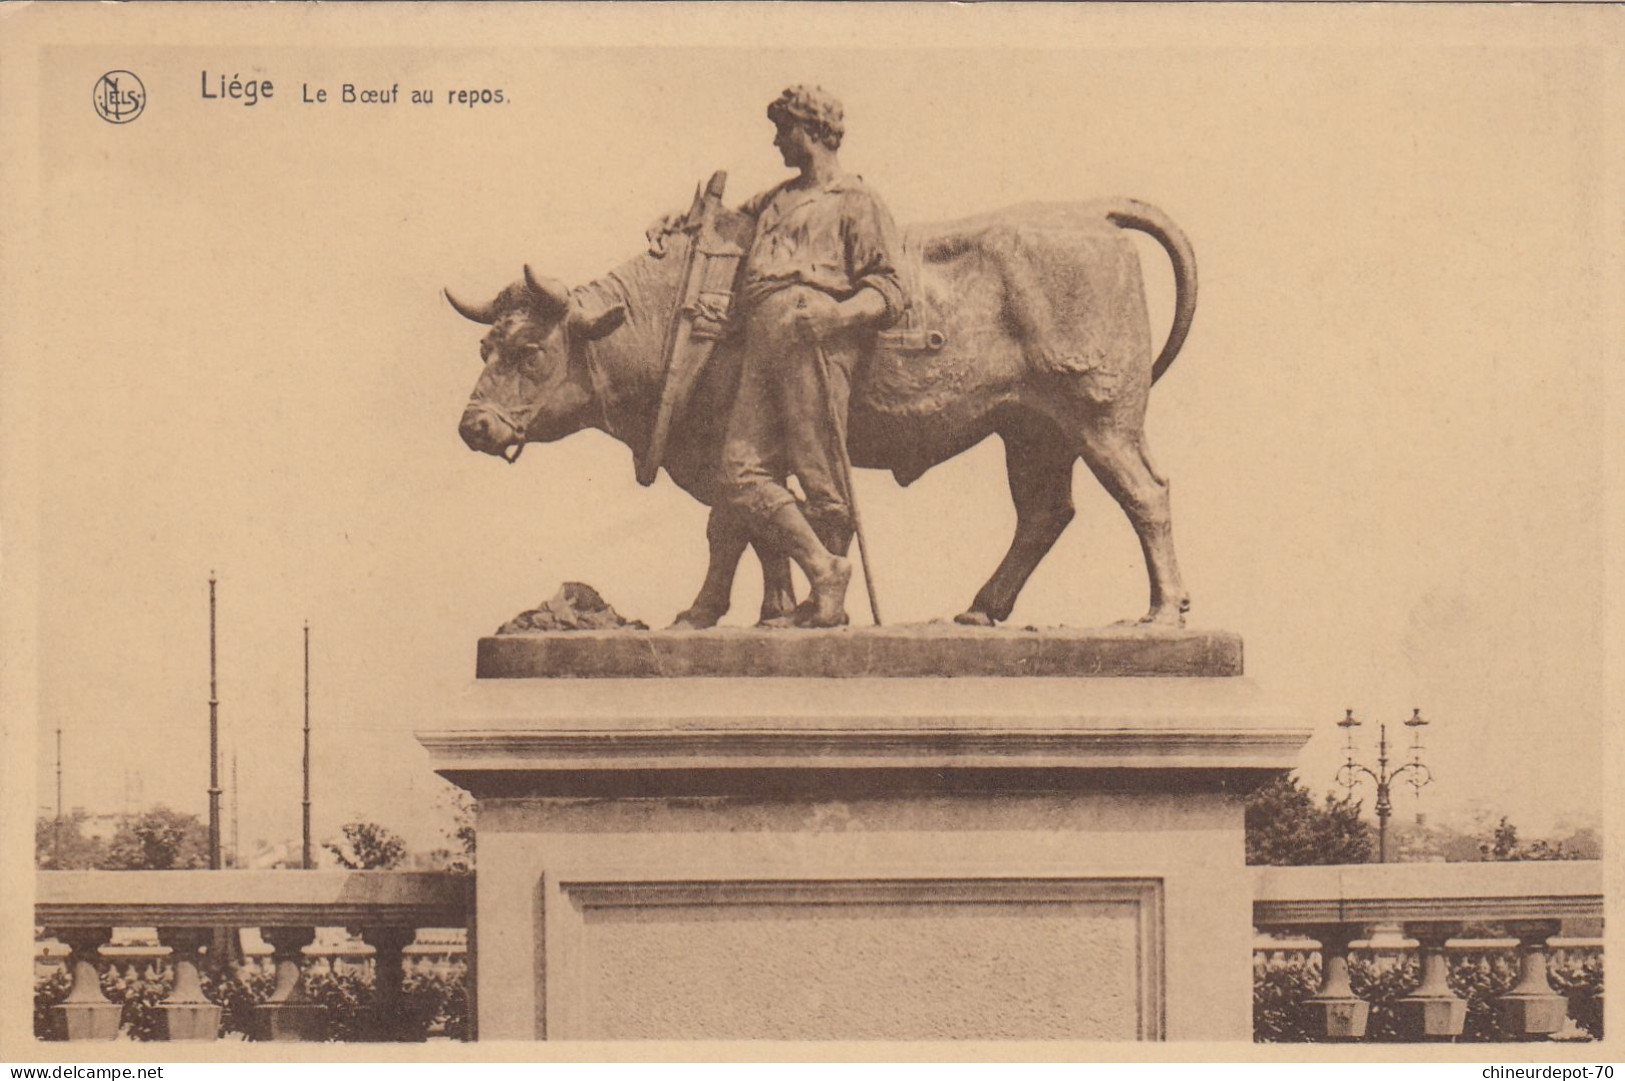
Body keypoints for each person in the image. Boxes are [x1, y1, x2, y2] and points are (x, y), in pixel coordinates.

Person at [720, 85, 906, 627]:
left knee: (818, 470)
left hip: (813, 337)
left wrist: (837, 317)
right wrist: (676, 221)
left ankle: (827, 598)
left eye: (785, 129)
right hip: (762, 335)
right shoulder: (774, 200)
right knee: (738, 473)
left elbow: (891, 289)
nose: (777, 141)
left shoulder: (856, 201)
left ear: (812, 130)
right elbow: (725, 227)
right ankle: (825, 569)